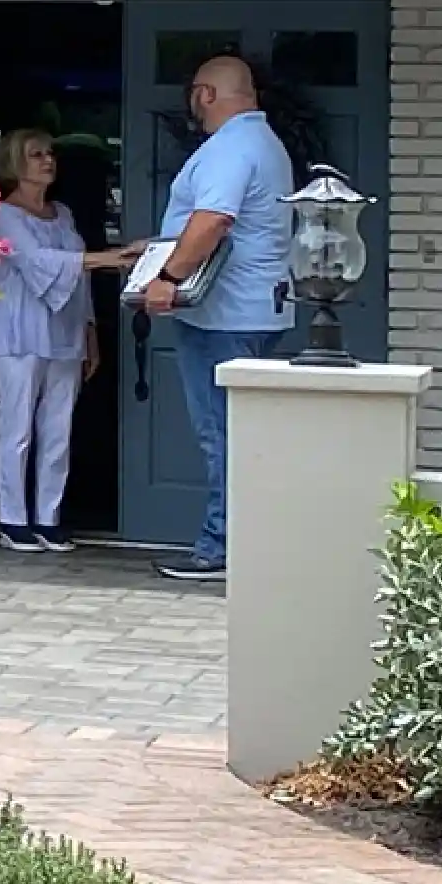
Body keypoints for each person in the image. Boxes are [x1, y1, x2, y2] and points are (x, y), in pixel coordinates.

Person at [133, 52, 297, 584]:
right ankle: (255, 543)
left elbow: (214, 219)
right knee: (246, 433)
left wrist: (169, 278)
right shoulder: (265, 144)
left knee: (222, 434)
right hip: (258, 308)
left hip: (220, 314)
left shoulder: (230, 147)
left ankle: (220, 547)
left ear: (205, 94)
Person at [0, 129, 116, 553]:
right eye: (36, 154)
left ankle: (47, 517)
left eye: (50, 153)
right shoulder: (2, 215)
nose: (47, 161)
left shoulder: (64, 214)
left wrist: (90, 331)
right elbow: (36, 262)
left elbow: (78, 280)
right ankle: (12, 519)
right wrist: (108, 257)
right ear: (14, 163)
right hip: (19, 331)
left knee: (59, 429)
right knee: (16, 427)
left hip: (65, 331)